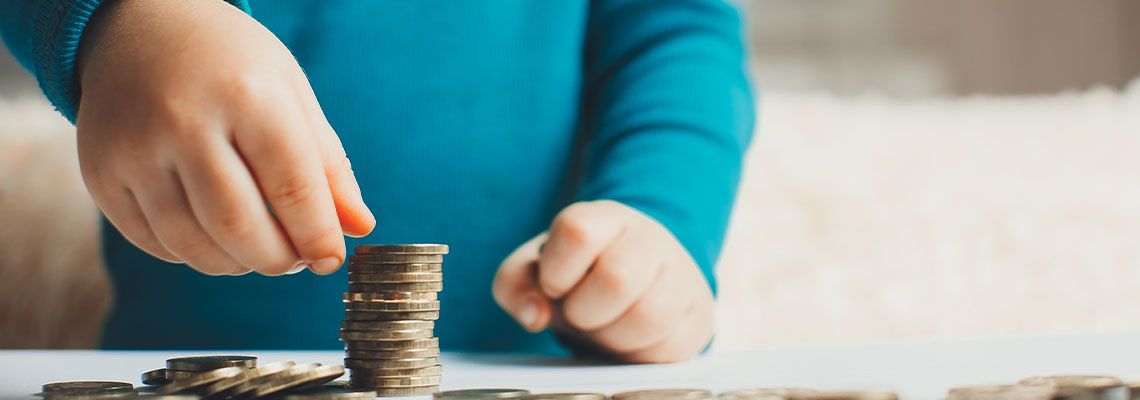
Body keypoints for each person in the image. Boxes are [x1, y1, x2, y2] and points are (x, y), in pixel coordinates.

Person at [0, 0, 753, 362]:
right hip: (180, 366)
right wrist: (119, 20)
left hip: (538, 361)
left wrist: (662, 217)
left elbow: (676, 36)